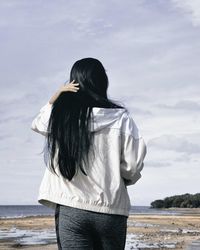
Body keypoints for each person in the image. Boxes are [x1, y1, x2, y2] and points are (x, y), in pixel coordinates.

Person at [31, 57, 147, 250]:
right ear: (103, 82)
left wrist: (56, 96)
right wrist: (117, 178)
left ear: (73, 83)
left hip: (71, 209)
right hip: (111, 208)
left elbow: (38, 123)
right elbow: (133, 167)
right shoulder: (121, 118)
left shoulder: (62, 117)